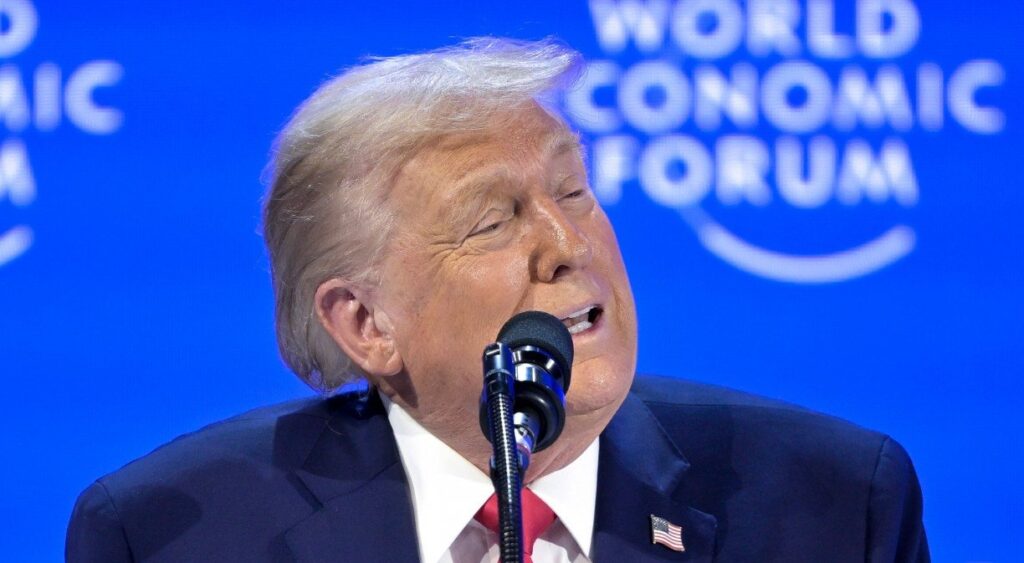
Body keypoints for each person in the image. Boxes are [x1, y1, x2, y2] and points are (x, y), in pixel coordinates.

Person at [66, 38, 928, 562]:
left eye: (574, 190)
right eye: (492, 221)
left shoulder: (833, 502)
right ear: (365, 322)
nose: (566, 243)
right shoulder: (172, 535)